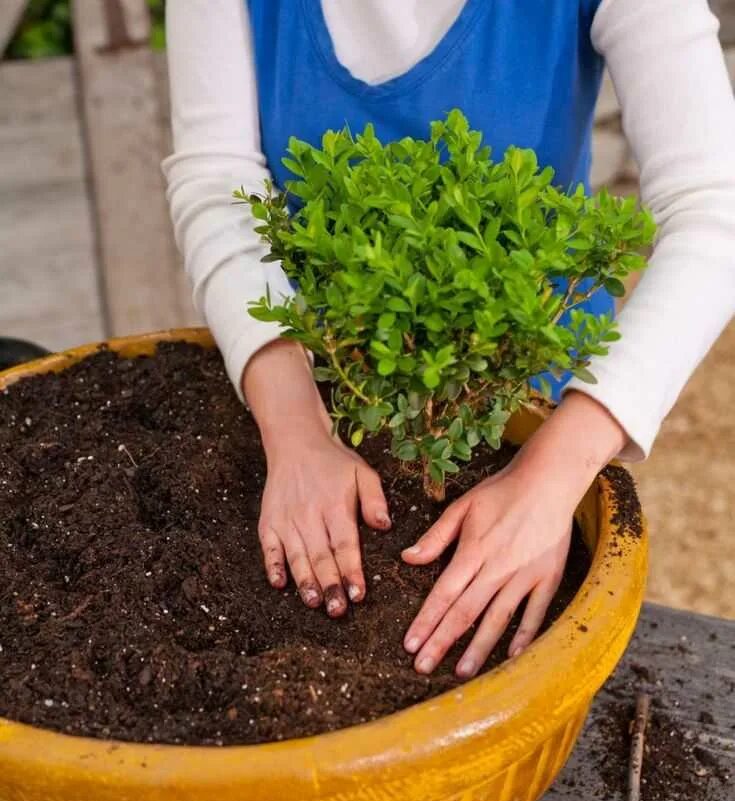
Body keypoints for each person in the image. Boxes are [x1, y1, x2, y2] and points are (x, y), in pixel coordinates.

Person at [164, 0, 735, 680]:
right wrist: (294, 429)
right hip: (334, 376)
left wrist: (548, 477)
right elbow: (217, 179)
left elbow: (714, 207)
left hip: (524, 400)